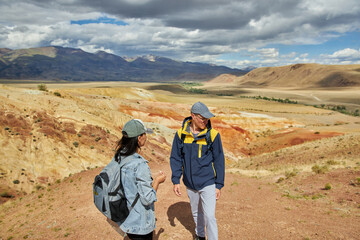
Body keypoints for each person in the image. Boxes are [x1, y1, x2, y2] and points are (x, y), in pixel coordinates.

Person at [170, 102, 225, 240]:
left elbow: (219, 160)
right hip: (190, 183)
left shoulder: (212, 135)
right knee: (196, 213)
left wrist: (219, 184)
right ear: (192, 116)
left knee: (210, 216)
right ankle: (200, 236)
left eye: (207, 118)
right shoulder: (181, 135)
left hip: (208, 182)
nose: (205, 121)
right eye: (202, 118)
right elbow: (175, 157)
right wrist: (176, 180)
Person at [111, 119, 166, 240]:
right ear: (139, 138)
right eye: (144, 134)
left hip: (126, 218)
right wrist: (157, 181)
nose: (146, 137)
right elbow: (147, 199)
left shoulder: (119, 157)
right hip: (140, 223)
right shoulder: (140, 165)